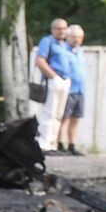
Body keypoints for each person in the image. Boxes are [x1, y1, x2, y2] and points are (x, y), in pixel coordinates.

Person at [33, 18, 74, 148]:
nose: (61, 31)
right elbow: (40, 61)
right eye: (59, 28)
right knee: (49, 112)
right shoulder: (47, 41)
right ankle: (43, 142)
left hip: (65, 80)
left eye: (64, 28)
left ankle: (52, 142)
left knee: (58, 114)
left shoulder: (65, 45)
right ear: (53, 29)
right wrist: (53, 76)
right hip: (53, 80)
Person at [57, 25, 87, 155]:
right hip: (68, 90)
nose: (77, 40)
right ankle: (60, 144)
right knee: (64, 118)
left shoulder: (80, 51)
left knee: (76, 118)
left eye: (80, 37)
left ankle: (72, 145)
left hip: (80, 90)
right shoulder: (63, 51)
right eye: (74, 37)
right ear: (68, 37)